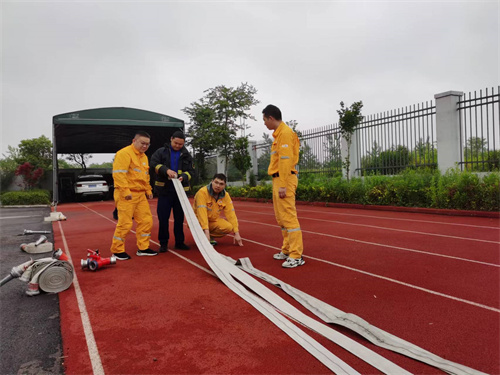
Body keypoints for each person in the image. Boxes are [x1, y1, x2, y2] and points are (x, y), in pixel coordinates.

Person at [262, 104, 305, 268]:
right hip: (278, 178)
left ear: (271, 118)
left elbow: (286, 161)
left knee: (288, 216)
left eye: (265, 120)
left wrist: (283, 184)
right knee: (281, 218)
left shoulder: (285, 133)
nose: (264, 123)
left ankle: (296, 255)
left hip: (284, 179)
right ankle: (287, 250)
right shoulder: (278, 135)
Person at [110, 131, 157, 260]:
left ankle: (143, 248)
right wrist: (126, 192)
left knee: (146, 221)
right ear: (134, 141)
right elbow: (119, 175)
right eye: (142, 143)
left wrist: (148, 190)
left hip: (140, 194)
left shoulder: (144, 157)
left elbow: (145, 176)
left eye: (147, 144)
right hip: (126, 194)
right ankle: (117, 249)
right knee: (125, 223)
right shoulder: (124, 154)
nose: (145, 146)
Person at [150, 131, 194, 253]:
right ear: (171, 139)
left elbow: (192, 171)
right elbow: (153, 164)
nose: (178, 146)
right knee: (163, 218)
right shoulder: (161, 152)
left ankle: (179, 242)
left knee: (179, 219)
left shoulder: (186, 154)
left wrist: (184, 177)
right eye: (176, 143)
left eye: (181, 144)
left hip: (180, 192)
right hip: (165, 190)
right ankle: (163, 243)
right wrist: (166, 170)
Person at [193, 173, 243, 247]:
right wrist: (206, 231)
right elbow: (201, 213)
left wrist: (236, 233)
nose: (218, 186)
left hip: (212, 221)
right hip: (197, 221)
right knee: (203, 226)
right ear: (212, 181)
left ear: (224, 185)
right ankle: (204, 235)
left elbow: (231, 213)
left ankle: (210, 236)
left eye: (221, 184)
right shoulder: (202, 193)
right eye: (216, 182)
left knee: (228, 227)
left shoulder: (226, 195)